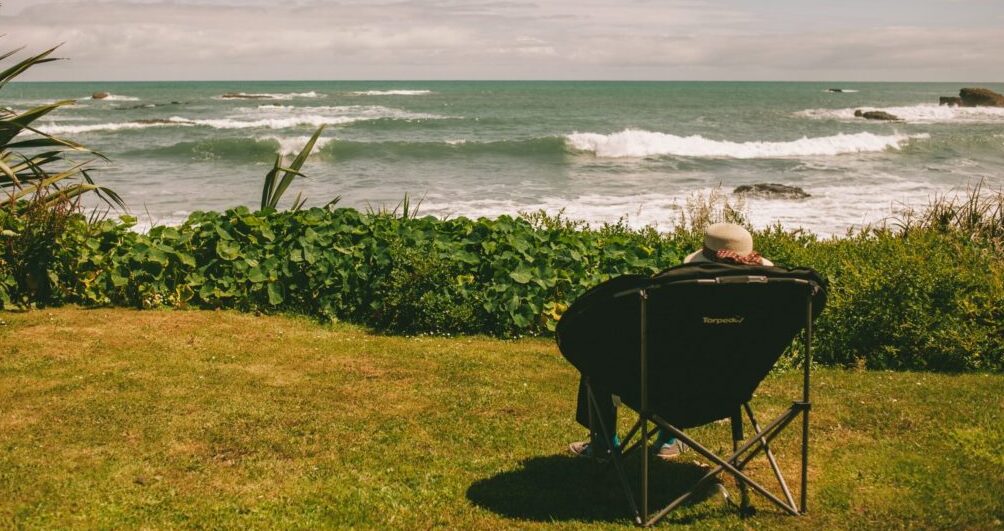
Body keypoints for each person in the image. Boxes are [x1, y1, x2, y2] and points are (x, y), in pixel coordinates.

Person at [569, 223, 772, 460]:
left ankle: (605, 443)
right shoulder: (764, 305)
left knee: (599, 357)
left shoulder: (680, 298)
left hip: (668, 392)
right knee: (688, 365)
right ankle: (668, 441)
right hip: (730, 390)